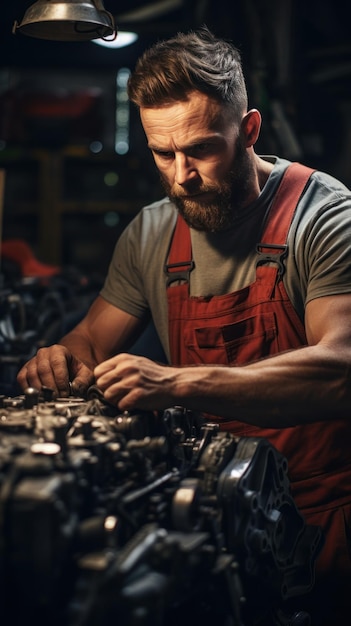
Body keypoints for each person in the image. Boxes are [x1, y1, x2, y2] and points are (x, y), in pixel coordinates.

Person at [17, 26, 351, 625]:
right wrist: (61, 356)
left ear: (248, 130)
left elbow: (341, 372)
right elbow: (90, 339)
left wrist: (179, 384)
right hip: (213, 514)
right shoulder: (151, 232)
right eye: (161, 153)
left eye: (200, 150)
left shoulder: (324, 217)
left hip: (326, 513)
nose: (180, 177)